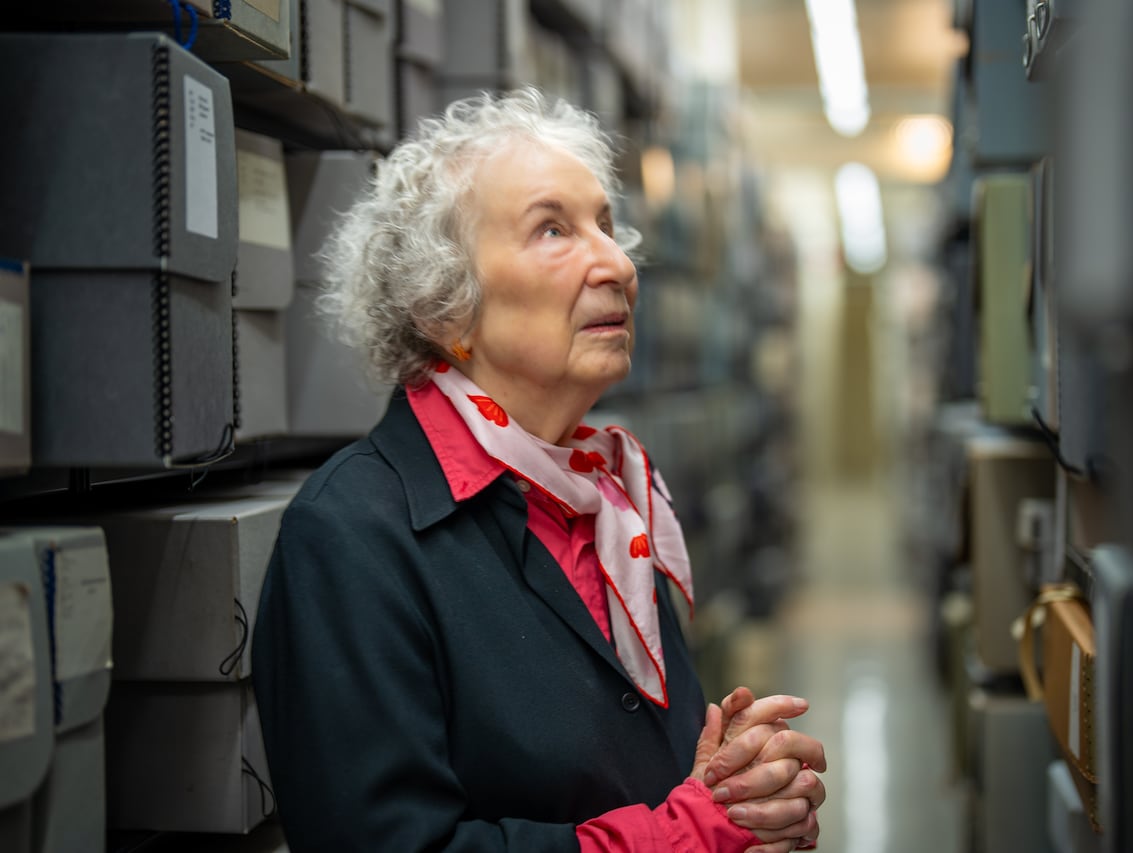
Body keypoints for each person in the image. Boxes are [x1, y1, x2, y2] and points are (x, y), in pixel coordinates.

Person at [251, 87, 827, 852]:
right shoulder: (350, 537)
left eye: (607, 225)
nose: (617, 262)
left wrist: (735, 786)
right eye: (552, 229)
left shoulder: (608, 499)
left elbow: (626, 777)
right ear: (444, 305)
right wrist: (690, 835)